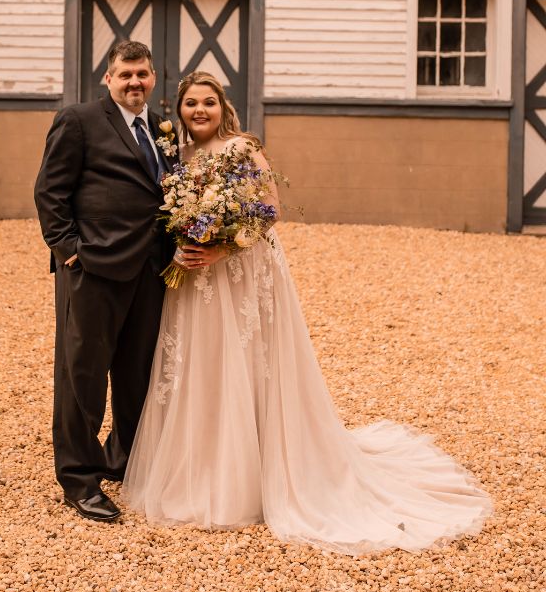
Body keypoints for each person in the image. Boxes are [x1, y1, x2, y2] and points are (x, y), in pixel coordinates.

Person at [122, 70, 493, 553]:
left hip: (243, 272)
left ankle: (260, 471)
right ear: (181, 110)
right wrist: (185, 245)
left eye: (208, 103)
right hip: (197, 278)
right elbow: (170, 214)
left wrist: (223, 248)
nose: (199, 111)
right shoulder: (179, 156)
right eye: (191, 103)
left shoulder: (243, 148)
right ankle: (205, 467)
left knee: (251, 362)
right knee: (203, 363)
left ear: (222, 106)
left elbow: (269, 209)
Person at [34, 40, 176, 522]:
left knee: (136, 373)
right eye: (125, 74)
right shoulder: (79, 120)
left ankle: (122, 459)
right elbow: (49, 191)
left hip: (149, 272)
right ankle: (78, 478)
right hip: (93, 270)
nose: (134, 82)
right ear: (108, 79)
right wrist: (71, 252)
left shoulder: (162, 129)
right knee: (83, 377)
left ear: (153, 77)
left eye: (142, 74)